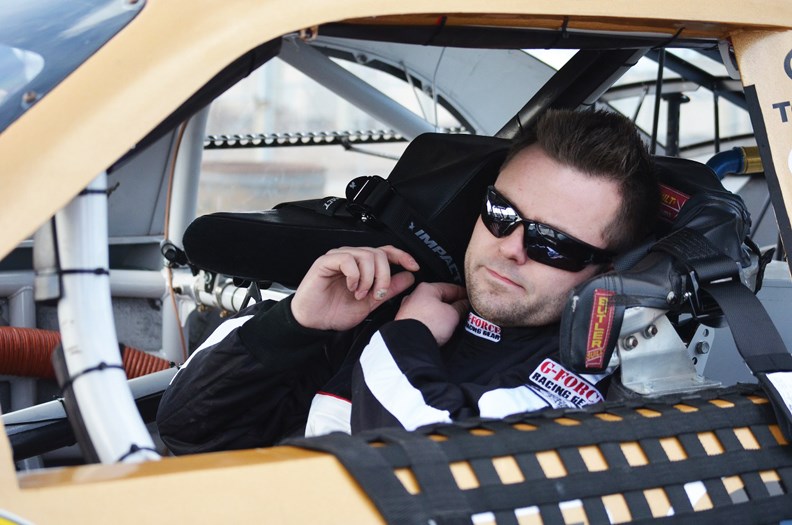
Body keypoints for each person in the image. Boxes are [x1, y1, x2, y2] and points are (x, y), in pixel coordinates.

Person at [156, 109, 659, 454]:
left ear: (607, 272)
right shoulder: (387, 299)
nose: (511, 247)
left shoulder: (580, 380)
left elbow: (442, 472)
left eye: (555, 245)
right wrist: (295, 324)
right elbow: (189, 428)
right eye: (501, 213)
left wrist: (405, 338)